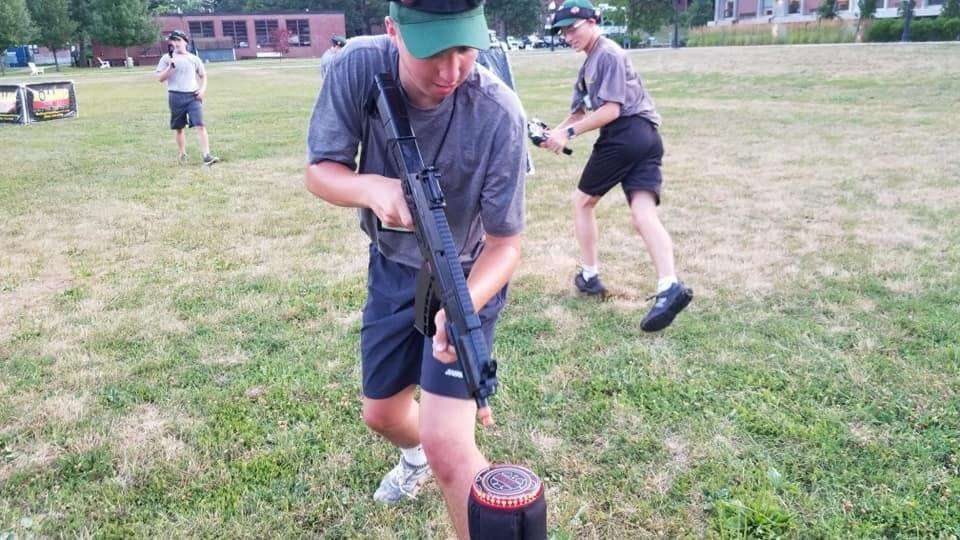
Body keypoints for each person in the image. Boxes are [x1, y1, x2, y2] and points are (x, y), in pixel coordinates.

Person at [303, 1, 526, 537]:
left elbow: (506, 246)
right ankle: (416, 456)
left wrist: (463, 305)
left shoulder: (500, 113)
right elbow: (319, 172)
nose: (451, 72)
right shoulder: (357, 66)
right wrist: (371, 188)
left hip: (468, 271)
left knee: (452, 446)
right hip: (394, 266)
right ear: (393, 32)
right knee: (380, 414)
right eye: (433, 52)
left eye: (466, 50)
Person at [539, 0, 692, 332]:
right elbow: (580, 112)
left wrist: (567, 133)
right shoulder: (588, 64)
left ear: (594, 22)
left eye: (573, 28)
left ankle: (589, 275)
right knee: (642, 214)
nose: (567, 35)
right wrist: (554, 133)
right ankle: (670, 286)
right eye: (562, 30)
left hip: (626, 134)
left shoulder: (608, 54)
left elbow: (610, 110)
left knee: (582, 201)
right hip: (647, 138)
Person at [155, 30, 219, 166]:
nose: (176, 43)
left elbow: (203, 75)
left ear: (185, 42)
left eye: (179, 40)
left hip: (193, 96)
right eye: (173, 40)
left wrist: (202, 90)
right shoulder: (166, 59)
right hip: (175, 96)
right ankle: (182, 153)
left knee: (200, 124)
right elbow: (160, 78)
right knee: (179, 128)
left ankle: (207, 155)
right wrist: (170, 68)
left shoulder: (193, 58)